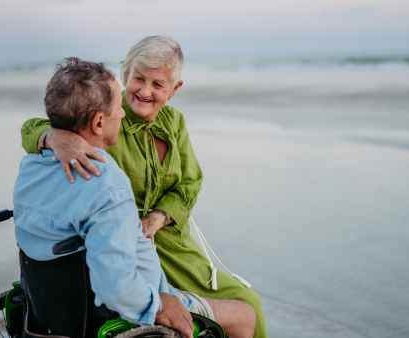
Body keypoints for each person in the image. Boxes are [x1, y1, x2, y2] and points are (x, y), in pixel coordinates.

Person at [21, 36, 267, 338]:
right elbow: (38, 124)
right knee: (237, 311)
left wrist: (158, 218)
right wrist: (54, 137)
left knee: (247, 299)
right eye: (139, 78)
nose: (145, 91)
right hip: (123, 240)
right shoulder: (105, 114)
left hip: (171, 241)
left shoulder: (174, 122)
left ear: (174, 89)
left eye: (158, 84)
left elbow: (190, 183)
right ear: (127, 75)